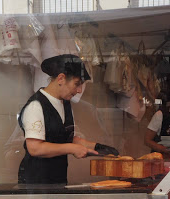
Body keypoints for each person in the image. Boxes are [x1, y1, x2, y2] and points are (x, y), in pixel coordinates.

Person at [18, 54, 118, 184]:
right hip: (36, 182)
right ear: (61, 78)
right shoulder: (36, 106)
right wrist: (72, 149)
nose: (79, 90)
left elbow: (66, 138)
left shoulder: (64, 103)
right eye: (77, 84)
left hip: (57, 179)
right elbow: (35, 148)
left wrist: (98, 147)